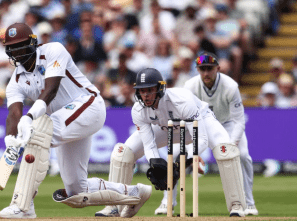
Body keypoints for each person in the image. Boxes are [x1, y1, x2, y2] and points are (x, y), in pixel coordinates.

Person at [0, 23, 152, 219]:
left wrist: (29, 118)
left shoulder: (53, 50)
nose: (18, 52)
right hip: (65, 120)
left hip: (89, 105)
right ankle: (135, 193)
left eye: (21, 46)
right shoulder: (16, 80)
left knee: (38, 132)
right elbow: (13, 113)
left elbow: (50, 90)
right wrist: (10, 140)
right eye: (13, 48)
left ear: (33, 43)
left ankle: (22, 205)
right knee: (77, 191)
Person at [95, 67, 247, 217]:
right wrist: (156, 164)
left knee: (225, 150)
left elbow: (200, 139)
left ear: (160, 88)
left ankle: (237, 205)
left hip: (199, 123)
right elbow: (149, 145)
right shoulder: (138, 110)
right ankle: (113, 207)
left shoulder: (182, 100)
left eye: (150, 90)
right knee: (122, 154)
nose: (146, 95)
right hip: (164, 127)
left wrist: (180, 164)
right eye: (142, 90)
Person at [163, 52, 256, 215]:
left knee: (242, 156)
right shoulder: (190, 86)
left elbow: (239, 120)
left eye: (209, 69)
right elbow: (185, 117)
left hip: (227, 124)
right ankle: (167, 202)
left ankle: (248, 203)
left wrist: (232, 144)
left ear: (218, 68)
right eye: (202, 69)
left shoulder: (231, 86)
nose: (206, 73)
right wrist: (194, 151)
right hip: (201, 124)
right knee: (176, 153)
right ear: (197, 69)